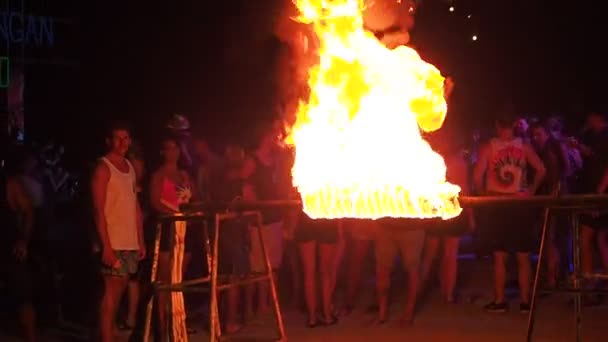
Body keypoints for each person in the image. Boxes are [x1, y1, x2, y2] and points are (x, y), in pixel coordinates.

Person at [473, 104, 546, 313]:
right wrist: (530, 190)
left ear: (497, 125)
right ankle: (525, 303)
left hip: (498, 205)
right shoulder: (524, 146)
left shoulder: (489, 147)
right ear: (514, 124)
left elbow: (478, 177)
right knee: (523, 256)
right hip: (520, 205)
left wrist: (483, 195)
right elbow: (541, 169)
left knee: (499, 256)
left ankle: (500, 301)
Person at [91, 122, 145, 342]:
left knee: (120, 289)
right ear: (109, 141)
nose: (123, 142)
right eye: (118, 138)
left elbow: (135, 206)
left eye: (126, 138)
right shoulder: (103, 168)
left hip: (129, 239)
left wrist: (140, 240)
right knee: (110, 293)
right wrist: (105, 245)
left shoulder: (130, 167)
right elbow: (98, 208)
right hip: (112, 240)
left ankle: (108, 331)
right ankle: (106, 337)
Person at [149, 136, 197, 338]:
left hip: (185, 230)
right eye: (168, 149)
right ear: (163, 151)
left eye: (176, 148)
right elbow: (154, 202)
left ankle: (177, 323)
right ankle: (161, 327)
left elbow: (195, 198)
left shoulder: (185, 174)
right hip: (168, 229)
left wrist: (189, 214)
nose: (173, 152)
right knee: (164, 281)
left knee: (179, 280)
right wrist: (174, 214)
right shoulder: (158, 176)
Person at [421, 136, 475, 303]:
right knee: (450, 256)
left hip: (436, 210)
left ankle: (419, 291)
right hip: (453, 209)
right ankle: (448, 294)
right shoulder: (459, 162)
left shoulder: (432, 161)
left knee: (429, 255)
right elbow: (465, 189)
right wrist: (470, 214)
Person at [242, 123, 286, 319]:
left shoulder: (276, 160)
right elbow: (243, 186)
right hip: (259, 221)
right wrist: (253, 210)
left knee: (273, 266)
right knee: (258, 268)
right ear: (266, 136)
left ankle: (268, 304)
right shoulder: (252, 160)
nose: (279, 137)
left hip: (275, 219)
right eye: (275, 134)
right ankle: (255, 308)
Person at [571, 111, 608, 296]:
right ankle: (601, 280)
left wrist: (600, 191)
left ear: (597, 116)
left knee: (585, 238)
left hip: (598, 194)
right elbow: (594, 156)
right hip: (596, 192)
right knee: (601, 239)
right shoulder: (597, 137)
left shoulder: (604, 136)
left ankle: (589, 283)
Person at [2, 149, 37, 342]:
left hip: (9, 247)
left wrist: (23, 240)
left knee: (23, 297)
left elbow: (29, 211)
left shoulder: (10, 183)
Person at [530, 121, 570, 288]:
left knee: (550, 238)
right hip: (557, 197)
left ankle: (552, 278)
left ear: (546, 133)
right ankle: (557, 274)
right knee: (554, 238)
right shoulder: (553, 147)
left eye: (539, 134)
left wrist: (551, 194)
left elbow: (554, 174)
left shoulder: (549, 150)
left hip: (552, 198)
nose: (536, 138)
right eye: (534, 135)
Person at [295, 214, 341, 327]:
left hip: (306, 219)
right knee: (325, 272)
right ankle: (327, 315)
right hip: (326, 220)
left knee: (309, 272)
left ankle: (312, 318)